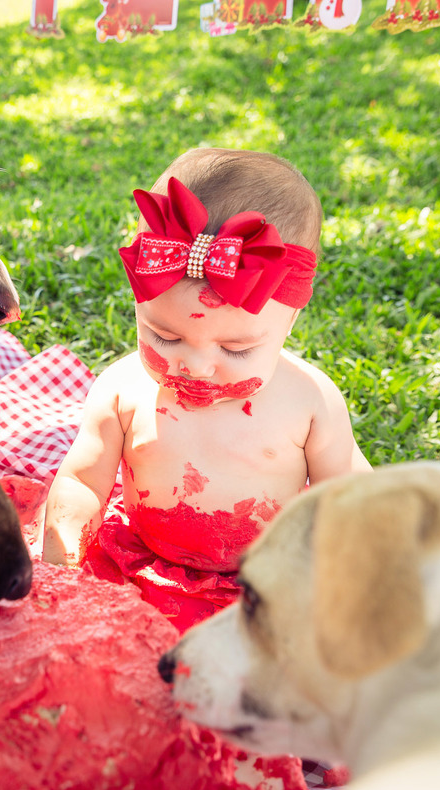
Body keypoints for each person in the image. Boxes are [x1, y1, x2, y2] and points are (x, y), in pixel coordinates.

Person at [41, 148, 371, 632]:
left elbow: (351, 494)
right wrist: (61, 570)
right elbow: (82, 481)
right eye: (165, 336)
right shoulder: (123, 388)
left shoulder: (309, 402)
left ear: (291, 319)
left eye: (235, 348)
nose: (195, 366)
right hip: (139, 568)